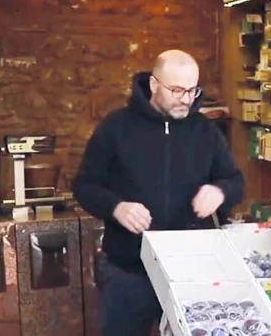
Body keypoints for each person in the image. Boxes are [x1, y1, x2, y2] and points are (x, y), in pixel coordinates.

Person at [73, 49, 245, 336]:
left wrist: (220, 191)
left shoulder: (206, 132)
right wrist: (116, 207)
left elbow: (236, 181)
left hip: (192, 272)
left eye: (192, 90)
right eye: (177, 90)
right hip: (128, 272)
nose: (186, 99)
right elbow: (84, 185)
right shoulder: (116, 128)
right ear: (154, 84)